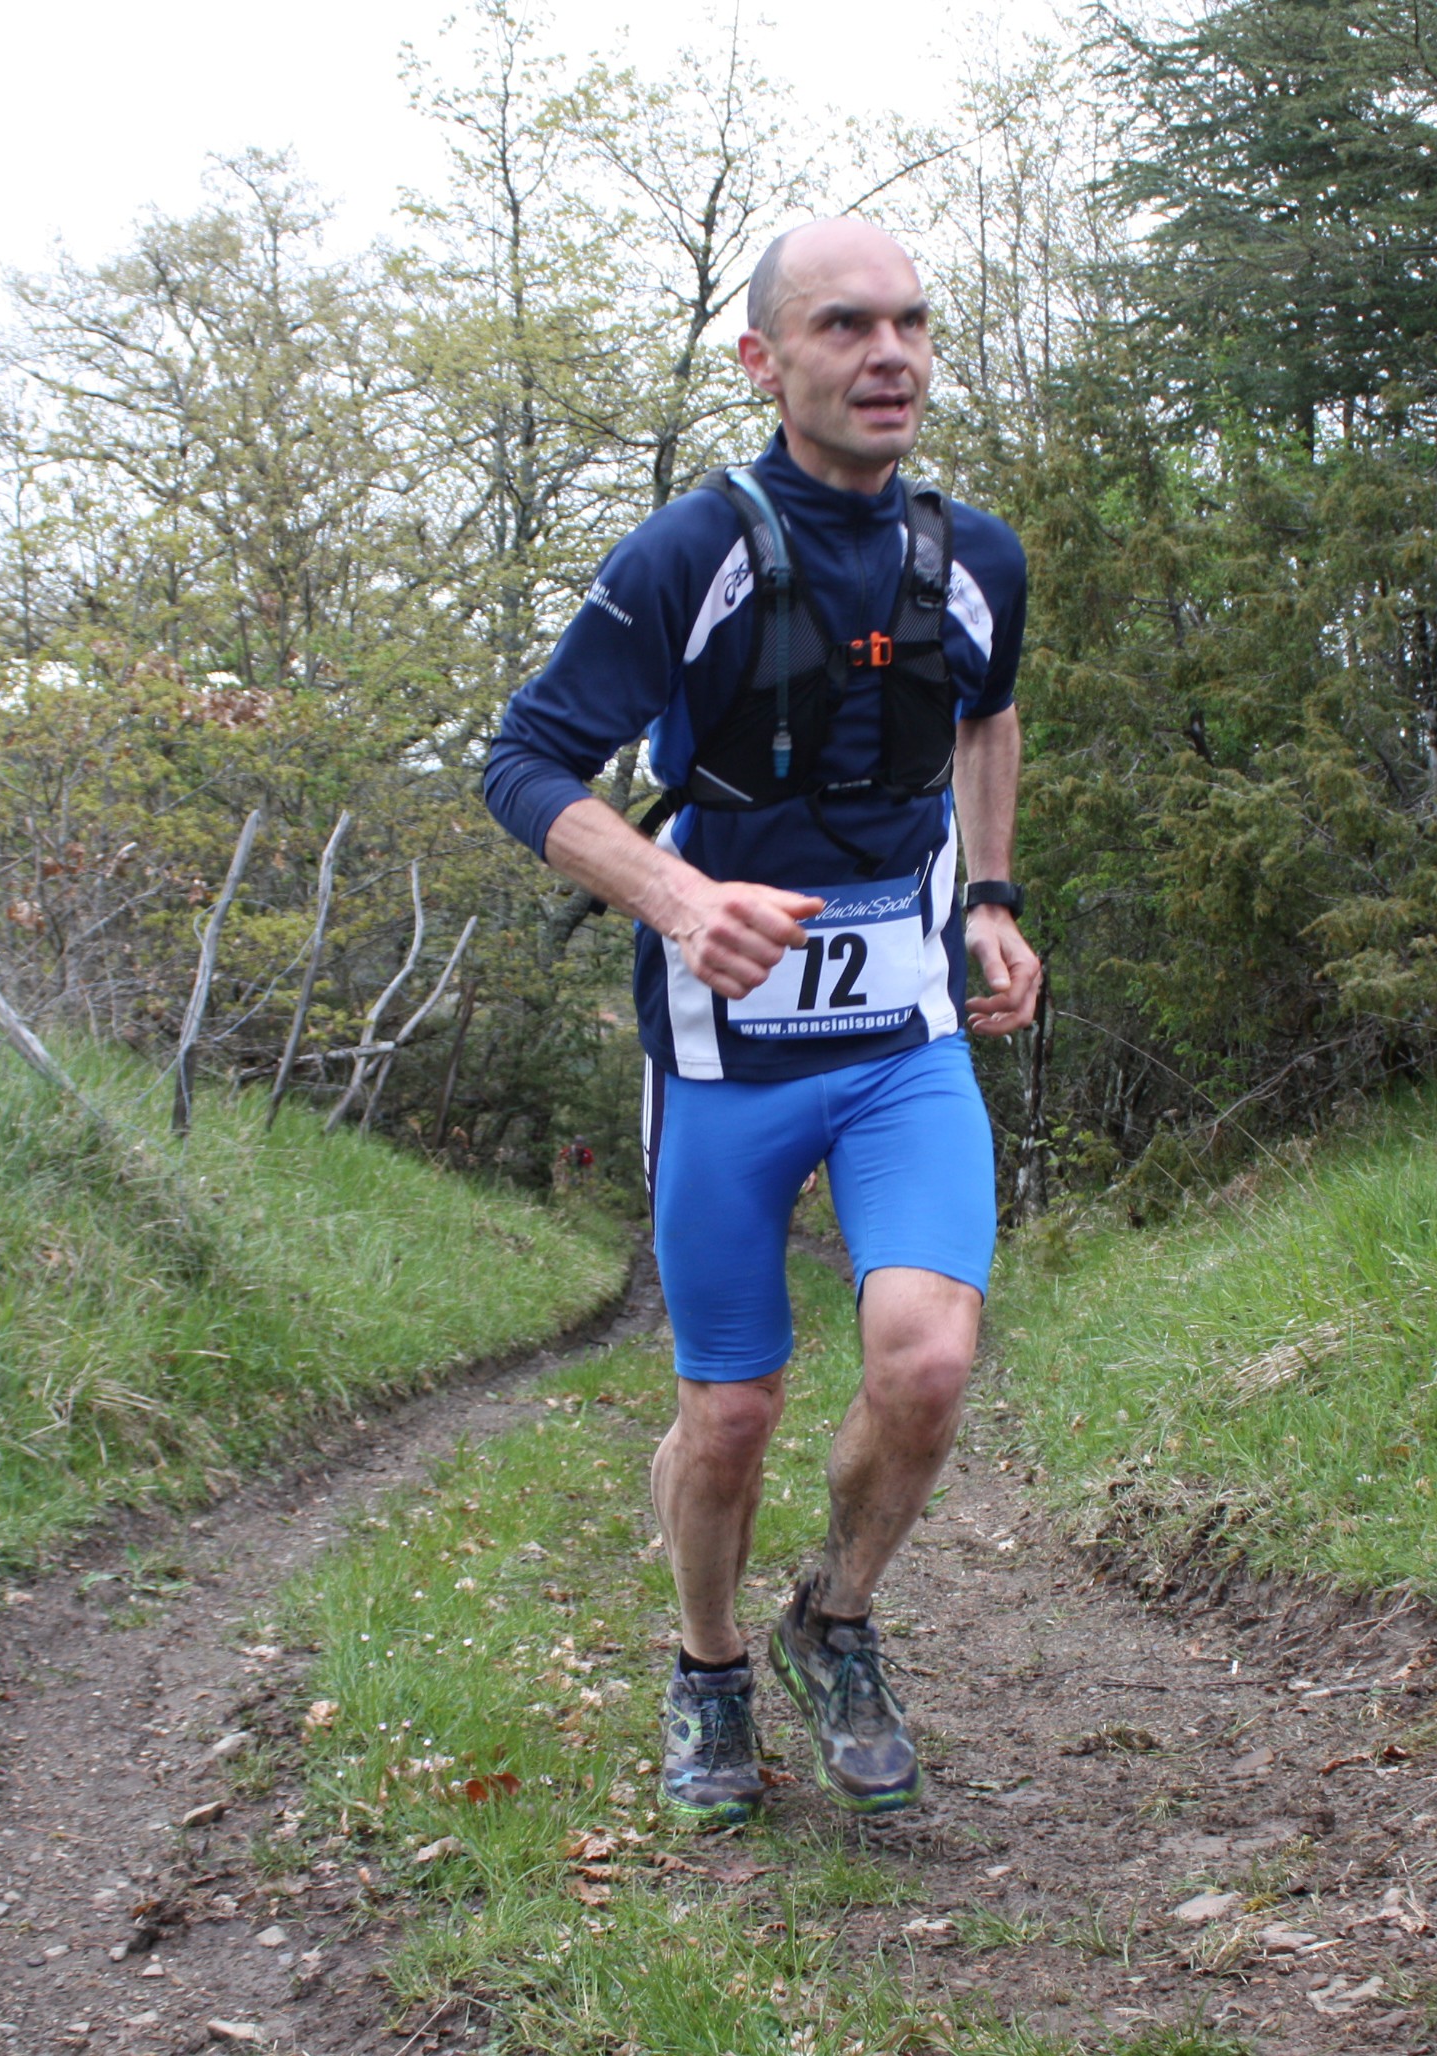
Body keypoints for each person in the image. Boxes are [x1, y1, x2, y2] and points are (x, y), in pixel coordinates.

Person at [479, 217, 1041, 1823]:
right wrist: (674, 898)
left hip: (902, 1041)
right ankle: (708, 1665)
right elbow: (523, 766)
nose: (891, 355)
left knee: (927, 1363)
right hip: (725, 1054)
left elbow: (989, 716)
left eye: (914, 324)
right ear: (763, 360)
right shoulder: (687, 554)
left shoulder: (977, 552)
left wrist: (989, 895)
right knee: (729, 1409)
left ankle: (836, 1623)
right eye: (846, 325)